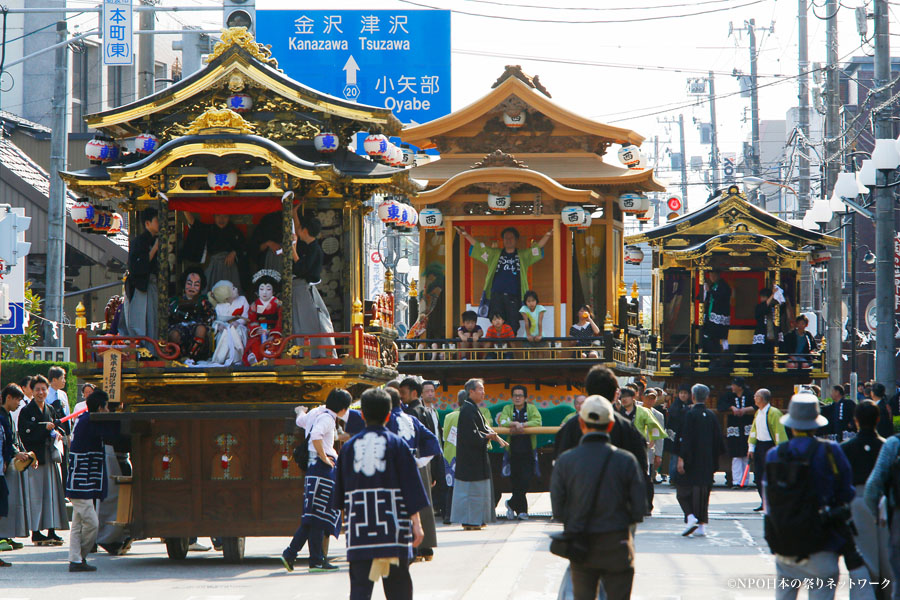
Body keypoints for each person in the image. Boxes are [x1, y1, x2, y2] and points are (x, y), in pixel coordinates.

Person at [333, 388, 428, 600]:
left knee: (359, 589)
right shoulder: (398, 445)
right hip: (394, 526)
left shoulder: (348, 448)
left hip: (360, 528)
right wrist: (417, 524)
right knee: (399, 587)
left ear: (363, 415)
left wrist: (344, 525)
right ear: (388, 415)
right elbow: (411, 487)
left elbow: (339, 495)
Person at [550, 395, 646, 600]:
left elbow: (558, 511)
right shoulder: (626, 460)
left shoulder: (566, 461)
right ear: (611, 425)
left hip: (581, 544)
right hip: (617, 543)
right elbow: (639, 509)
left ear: (581, 424)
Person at [765, 394, 858, 600]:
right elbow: (847, 492)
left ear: (791, 424)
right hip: (823, 540)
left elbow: (768, 500)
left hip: (785, 541)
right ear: (816, 424)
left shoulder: (775, 454)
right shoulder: (830, 451)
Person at [281, 389, 351, 572]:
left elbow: (300, 421)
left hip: (313, 469)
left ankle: (309, 558)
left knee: (312, 517)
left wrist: (299, 411)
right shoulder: (328, 418)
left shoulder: (315, 412)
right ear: (343, 408)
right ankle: (302, 556)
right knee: (317, 517)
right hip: (323, 468)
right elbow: (316, 436)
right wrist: (325, 457)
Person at [455, 225, 552, 335]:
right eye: (506, 238)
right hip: (496, 295)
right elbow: (479, 247)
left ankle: (509, 350)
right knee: (497, 321)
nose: (508, 240)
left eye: (511, 238)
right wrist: (465, 234)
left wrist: (548, 234)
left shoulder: (523, 255)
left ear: (516, 240)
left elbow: (536, 248)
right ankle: (499, 350)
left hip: (514, 296)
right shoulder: (495, 254)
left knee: (513, 323)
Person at [66, 390, 122, 572]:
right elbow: (114, 435)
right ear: (100, 407)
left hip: (80, 481)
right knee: (92, 523)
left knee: (77, 524)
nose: (107, 411)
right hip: (81, 482)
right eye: (107, 407)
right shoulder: (89, 421)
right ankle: (79, 557)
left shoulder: (86, 420)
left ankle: (75, 559)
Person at [386, 385, 441, 561]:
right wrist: (422, 462)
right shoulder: (416, 414)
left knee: (402, 507)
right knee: (419, 505)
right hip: (416, 465)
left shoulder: (393, 419)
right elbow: (433, 441)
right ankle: (425, 548)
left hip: (399, 468)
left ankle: (412, 549)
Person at [842, 401, 890, 590]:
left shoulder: (845, 448)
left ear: (856, 421)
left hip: (856, 501)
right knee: (888, 555)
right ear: (878, 419)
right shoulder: (887, 447)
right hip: (886, 502)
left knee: (862, 556)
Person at [451, 379, 508, 529]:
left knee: (476, 491)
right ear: (471, 392)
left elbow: (480, 429)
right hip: (470, 460)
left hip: (475, 457)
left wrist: (489, 435)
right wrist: (486, 436)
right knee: (471, 492)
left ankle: (476, 520)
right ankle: (470, 521)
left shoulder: (472, 408)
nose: (483, 393)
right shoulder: (467, 410)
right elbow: (471, 434)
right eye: (480, 389)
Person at [18, 375, 67, 546]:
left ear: (48, 390)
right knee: (37, 497)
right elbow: (24, 434)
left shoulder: (50, 409)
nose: (40, 392)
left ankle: (52, 530)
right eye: (37, 389)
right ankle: (37, 532)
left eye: (43, 389)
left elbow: (55, 428)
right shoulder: (26, 411)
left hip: (50, 457)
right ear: (32, 390)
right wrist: (43, 429)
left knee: (51, 495)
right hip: (35, 459)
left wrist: (57, 433)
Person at [674, 384, 724, 537]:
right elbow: (718, 441)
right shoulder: (711, 415)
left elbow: (686, 438)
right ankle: (701, 525)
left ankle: (690, 517)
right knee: (702, 492)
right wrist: (714, 460)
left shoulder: (690, 414)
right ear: (707, 398)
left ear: (692, 396)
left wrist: (681, 458)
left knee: (683, 491)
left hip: (691, 460)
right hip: (707, 460)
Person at [291, 211, 335, 359]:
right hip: (301, 287)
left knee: (306, 321)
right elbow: (297, 228)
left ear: (305, 231)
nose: (298, 230)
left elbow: (302, 269)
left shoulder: (314, 249)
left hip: (304, 287)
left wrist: (293, 250)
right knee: (299, 321)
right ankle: (303, 351)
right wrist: (294, 213)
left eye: (300, 228)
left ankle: (311, 353)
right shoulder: (310, 246)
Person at [496, 385, 542, 520]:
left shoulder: (531, 409)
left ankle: (511, 503)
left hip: (528, 451)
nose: (517, 398)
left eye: (520, 395)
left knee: (526, 479)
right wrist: (514, 424)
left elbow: (538, 421)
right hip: (513, 452)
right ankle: (522, 511)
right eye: (515, 395)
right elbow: (503, 421)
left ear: (525, 398)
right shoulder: (508, 409)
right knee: (515, 480)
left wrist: (524, 425)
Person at [0, 384, 31, 561]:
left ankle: (6, 534)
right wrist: (11, 454)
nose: (19, 403)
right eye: (17, 399)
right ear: (9, 397)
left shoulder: (8, 416)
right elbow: (6, 441)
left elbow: (12, 439)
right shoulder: (2, 416)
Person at [183, 212, 248, 295]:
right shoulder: (209, 229)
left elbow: (245, 247)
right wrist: (183, 207)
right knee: (210, 292)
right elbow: (193, 223)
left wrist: (234, 253)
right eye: (218, 215)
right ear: (213, 216)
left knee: (231, 293)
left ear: (229, 217)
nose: (221, 219)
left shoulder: (235, 231)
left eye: (225, 216)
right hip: (212, 265)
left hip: (230, 267)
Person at [747, 388, 787, 510]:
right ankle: (764, 501)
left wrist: (780, 450)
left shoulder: (774, 413)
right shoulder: (758, 412)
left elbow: (779, 432)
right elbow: (754, 431)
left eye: (756, 396)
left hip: (771, 446)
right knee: (759, 475)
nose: (754, 398)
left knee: (771, 475)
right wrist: (751, 448)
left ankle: (773, 501)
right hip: (760, 446)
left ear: (762, 399)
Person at [123, 207, 160, 340]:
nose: (160, 223)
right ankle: (144, 349)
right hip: (142, 285)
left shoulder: (156, 239)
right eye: (157, 220)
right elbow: (136, 267)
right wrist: (154, 249)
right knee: (143, 319)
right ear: (147, 223)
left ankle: (153, 348)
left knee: (154, 319)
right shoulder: (139, 242)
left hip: (153, 284)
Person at [167, 270, 215, 363]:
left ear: (201, 287)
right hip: (179, 327)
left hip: (197, 328)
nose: (192, 287)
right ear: (184, 284)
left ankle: (192, 358)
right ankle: (179, 358)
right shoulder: (174, 301)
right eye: (189, 283)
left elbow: (211, 317)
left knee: (201, 329)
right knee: (174, 334)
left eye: (196, 285)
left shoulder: (203, 302)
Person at [717, 377, 756, 488]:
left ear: (740, 386)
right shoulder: (729, 396)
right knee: (736, 455)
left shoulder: (749, 395)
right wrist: (732, 407)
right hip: (734, 427)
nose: (732, 387)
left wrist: (745, 410)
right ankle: (736, 481)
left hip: (746, 426)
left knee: (745, 455)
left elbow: (756, 405)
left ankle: (744, 481)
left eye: (734, 385)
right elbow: (720, 406)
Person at [243, 269, 284, 366]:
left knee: (274, 343)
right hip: (260, 331)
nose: (264, 292)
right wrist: (256, 329)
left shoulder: (277, 304)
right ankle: (255, 359)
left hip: (273, 331)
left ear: (273, 291)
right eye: (261, 289)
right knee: (255, 344)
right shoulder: (254, 305)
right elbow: (251, 320)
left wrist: (274, 333)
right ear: (257, 291)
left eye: (268, 289)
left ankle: (269, 357)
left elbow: (280, 320)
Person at [420, 381, 446, 516]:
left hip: (438, 451)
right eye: (427, 391)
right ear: (421, 394)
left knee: (441, 480)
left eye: (432, 391)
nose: (431, 393)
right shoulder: (420, 411)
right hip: (427, 453)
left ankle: (441, 508)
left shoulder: (434, 410)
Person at [441, 391, 465, 525]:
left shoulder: (449, 416)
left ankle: (448, 515)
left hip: (450, 456)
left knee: (451, 487)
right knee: (466, 487)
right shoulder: (473, 414)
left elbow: (445, 436)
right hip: (465, 455)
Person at [700, 270, 731, 356]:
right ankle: (710, 356)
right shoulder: (713, 285)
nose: (712, 278)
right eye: (710, 276)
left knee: (716, 336)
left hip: (719, 315)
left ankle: (718, 356)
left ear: (718, 275)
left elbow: (721, 297)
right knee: (709, 336)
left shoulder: (723, 285)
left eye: (713, 275)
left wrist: (710, 291)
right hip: (710, 314)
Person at [665, 383, 691, 485]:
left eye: (685, 393)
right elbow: (675, 415)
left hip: (687, 435)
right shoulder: (675, 405)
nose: (683, 395)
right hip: (675, 435)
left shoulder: (691, 404)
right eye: (681, 393)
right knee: (674, 457)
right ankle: (673, 478)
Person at [751, 287, 780, 369]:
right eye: (761, 297)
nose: (762, 299)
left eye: (764, 297)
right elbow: (763, 308)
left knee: (770, 359)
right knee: (759, 358)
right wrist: (773, 294)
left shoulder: (774, 308)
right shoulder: (759, 307)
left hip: (771, 338)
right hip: (761, 336)